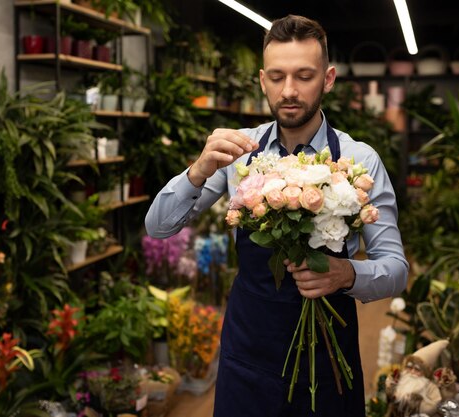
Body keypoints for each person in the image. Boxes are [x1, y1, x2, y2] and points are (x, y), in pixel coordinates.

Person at [145, 14, 408, 417]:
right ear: (263, 81)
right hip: (248, 349)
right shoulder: (239, 154)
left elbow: (396, 269)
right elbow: (157, 227)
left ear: (328, 79)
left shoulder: (360, 160)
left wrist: (348, 274)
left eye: (304, 76)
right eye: (277, 76)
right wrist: (198, 171)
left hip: (327, 356)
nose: (289, 91)